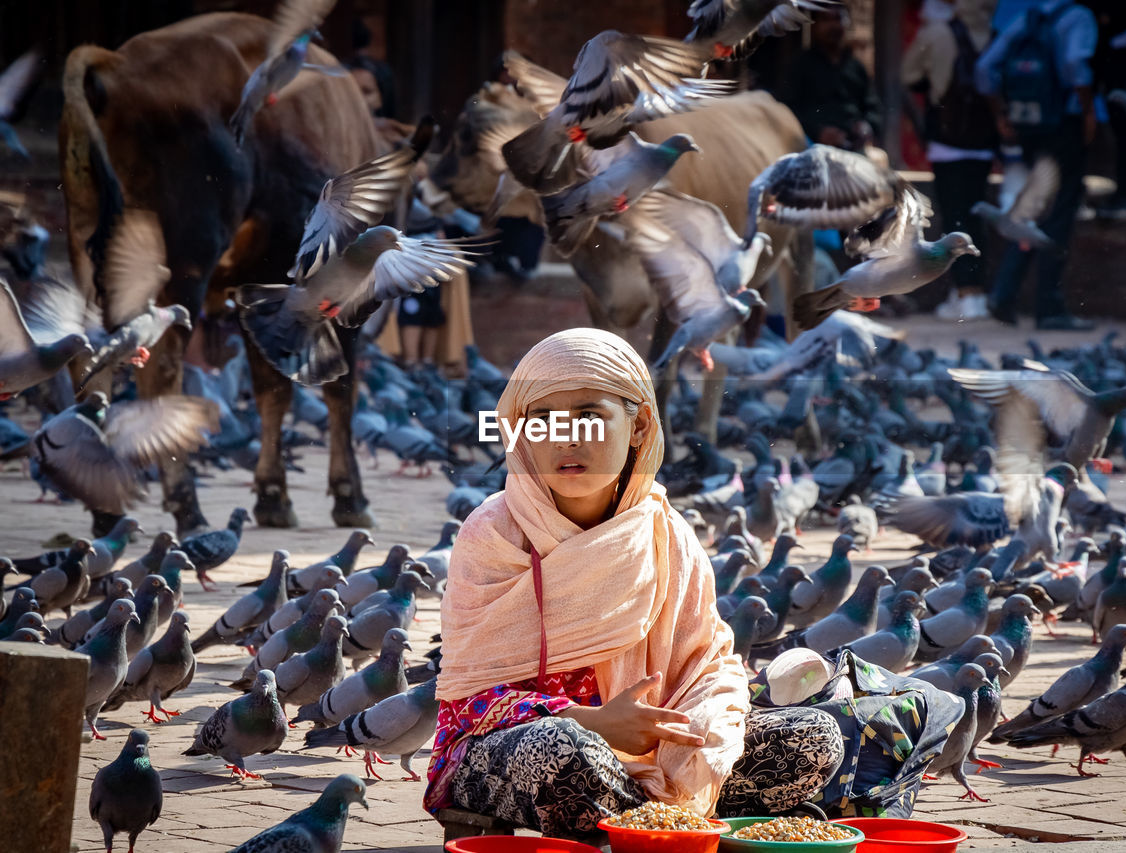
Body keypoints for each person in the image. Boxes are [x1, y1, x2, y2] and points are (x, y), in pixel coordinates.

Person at [422, 329, 845, 838]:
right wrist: (591, 721)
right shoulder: (493, 534)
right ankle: (665, 832)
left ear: (640, 424)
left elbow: (708, 662)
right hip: (523, 751)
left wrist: (705, 721)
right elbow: (465, 702)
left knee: (813, 736)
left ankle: (656, 823)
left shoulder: (667, 534)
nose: (567, 438)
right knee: (562, 749)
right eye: (541, 420)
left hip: (651, 753)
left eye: (590, 416)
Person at [977, 0, 1099, 331]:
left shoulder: (1027, 18)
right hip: (1064, 125)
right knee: (1057, 216)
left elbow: (985, 69)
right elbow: (1076, 64)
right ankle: (1049, 307)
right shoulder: (1078, 17)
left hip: (1030, 127)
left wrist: (1001, 114)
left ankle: (1004, 293)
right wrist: (1088, 111)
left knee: (1033, 213)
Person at [903, 0, 1000, 320]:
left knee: (956, 217)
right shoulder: (999, 36)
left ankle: (965, 292)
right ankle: (977, 292)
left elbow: (909, 74)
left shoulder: (938, 33)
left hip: (947, 143)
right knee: (976, 214)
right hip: (985, 144)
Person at [777, 7, 883, 151]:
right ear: (814, 26)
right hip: (811, 146)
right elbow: (788, 110)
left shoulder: (856, 68)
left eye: (837, 19)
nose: (833, 26)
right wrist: (818, 132)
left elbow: (873, 108)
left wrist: (867, 126)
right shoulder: (801, 65)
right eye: (826, 20)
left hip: (852, 148)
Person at [1083, 0, 1126, 218]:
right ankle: (1077, 190)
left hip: (1119, 60)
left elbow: (1121, 13)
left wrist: (1105, 16)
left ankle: (1124, 193)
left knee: (1124, 128)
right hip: (1094, 55)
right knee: (1083, 122)